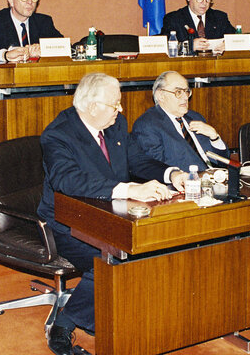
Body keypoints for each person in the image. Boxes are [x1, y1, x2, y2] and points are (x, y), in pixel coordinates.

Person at [36, 73, 186, 355]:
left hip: (113, 216)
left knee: (153, 249)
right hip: (69, 224)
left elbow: (137, 158)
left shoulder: (115, 125)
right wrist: (127, 188)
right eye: (114, 105)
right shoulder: (58, 134)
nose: (121, 110)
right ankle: (63, 323)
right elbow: (67, 181)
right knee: (116, 260)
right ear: (92, 106)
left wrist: (170, 172)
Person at [132, 71, 228, 171]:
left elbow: (224, 162)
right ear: (161, 95)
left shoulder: (195, 117)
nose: (185, 97)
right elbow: (157, 169)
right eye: (178, 92)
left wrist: (215, 138)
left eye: (186, 91)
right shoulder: (147, 125)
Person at [159, 0, 234, 53]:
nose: (204, 3)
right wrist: (189, 46)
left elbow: (238, 40)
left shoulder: (220, 17)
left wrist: (229, 45)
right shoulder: (173, 19)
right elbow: (163, 47)